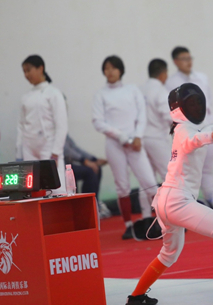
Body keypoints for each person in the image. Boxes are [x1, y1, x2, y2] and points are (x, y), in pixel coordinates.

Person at [125, 83, 213, 305]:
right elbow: (197, 140)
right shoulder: (185, 132)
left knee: (169, 254)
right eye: (192, 103)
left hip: (166, 201)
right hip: (177, 201)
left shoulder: (185, 128)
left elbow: (207, 130)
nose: (197, 106)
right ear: (180, 109)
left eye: (198, 102)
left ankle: (136, 297)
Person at [92, 55, 158, 240]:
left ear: (121, 70)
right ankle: (129, 225)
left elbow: (142, 115)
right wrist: (121, 136)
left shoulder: (132, 90)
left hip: (135, 143)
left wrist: (137, 136)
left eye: (113, 68)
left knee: (150, 182)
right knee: (122, 187)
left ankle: (160, 220)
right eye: (106, 68)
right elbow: (98, 122)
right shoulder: (101, 94)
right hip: (114, 145)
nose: (110, 71)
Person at [165, 46, 213, 217]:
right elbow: (173, 111)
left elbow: (208, 104)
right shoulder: (171, 83)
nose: (188, 62)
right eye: (184, 58)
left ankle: (212, 202)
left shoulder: (202, 77)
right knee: (188, 171)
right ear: (176, 62)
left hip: (206, 127)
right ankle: (189, 206)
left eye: (189, 58)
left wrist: (212, 127)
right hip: (188, 131)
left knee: (207, 168)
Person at [17, 55, 68, 193]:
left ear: (41, 68)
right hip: (29, 149)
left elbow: (61, 125)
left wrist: (55, 153)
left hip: (49, 148)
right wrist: (19, 153)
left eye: (29, 70)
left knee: (56, 191)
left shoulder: (54, 93)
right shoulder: (26, 97)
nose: (26, 75)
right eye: (24, 71)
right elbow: (21, 126)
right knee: (33, 191)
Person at [140, 59, 172, 182]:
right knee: (170, 175)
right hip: (157, 139)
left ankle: (148, 202)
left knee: (148, 180)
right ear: (163, 74)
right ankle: (175, 201)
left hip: (141, 139)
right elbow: (168, 116)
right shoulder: (161, 91)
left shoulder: (139, 90)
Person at [63, 134, 110, 217]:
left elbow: (75, 148)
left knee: (96, 168)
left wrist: (93, 159)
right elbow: (66, 151)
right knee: (89, 172)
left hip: (68, 164)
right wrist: (85, 161)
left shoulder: (63, 132)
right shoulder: (52, 131)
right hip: (59, 167)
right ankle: (87, 208)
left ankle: (95, 203)